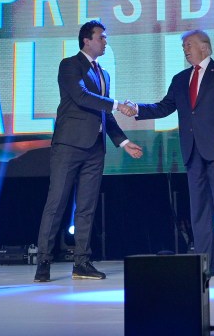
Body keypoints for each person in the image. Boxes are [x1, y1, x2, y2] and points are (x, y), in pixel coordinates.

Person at [125, 30, 214, 278]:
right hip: (192, 150)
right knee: (199, 210)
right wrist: (137, 108)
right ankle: (205, 264)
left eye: (188, 44)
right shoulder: (181, 79)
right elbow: (164, 107)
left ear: (205, 47)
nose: (185, 49)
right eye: (183, 46)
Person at [33, 20, 142, 282]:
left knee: (86, 207)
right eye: (101, 38)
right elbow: (81, 97)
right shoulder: (70, 65)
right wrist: (117, 104)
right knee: (56, 203)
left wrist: (124, 142)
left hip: (95, 149)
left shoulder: (103, 74)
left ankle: (81, 262)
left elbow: (103, 113)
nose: (105, 42)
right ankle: (44, 263)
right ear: (87, 40)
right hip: (68, 146)